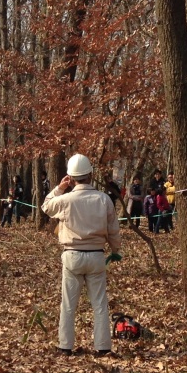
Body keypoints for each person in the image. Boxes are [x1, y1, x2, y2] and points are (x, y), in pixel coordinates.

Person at [41, 153, 122, 357]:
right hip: (96, 256)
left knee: (68, 304)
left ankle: (65, 345)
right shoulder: (104, 199)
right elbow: (113, 230)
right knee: (99, 304)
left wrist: (60, 187)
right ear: (90, 174)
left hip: (72, 255)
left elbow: (46, 206)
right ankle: (103, 347)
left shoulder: (66, 199)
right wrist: (115, 250)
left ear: (71, 177)